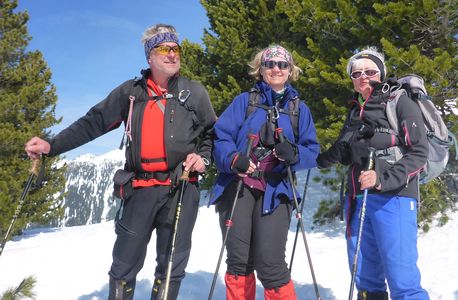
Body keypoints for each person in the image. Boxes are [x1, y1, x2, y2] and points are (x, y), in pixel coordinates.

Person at [25, 24, 216, 300]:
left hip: (182, 189)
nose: (172, 54)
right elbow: (93, 123)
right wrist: (52, 145)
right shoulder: (131, 94)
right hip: (139, 189)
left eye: (176, 49)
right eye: (164, 48)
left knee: (171, 267)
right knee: (123, 267)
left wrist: (204, 159)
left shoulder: (194, 93)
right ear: (149, 56)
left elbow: (212, 134)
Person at [317, 47, 429, 300]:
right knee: (366, 279)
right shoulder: (355, 110)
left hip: (395, 198)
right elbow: (346, 153)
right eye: (356, 73)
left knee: (402, 280)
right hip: (358, 200)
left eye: (370, 71)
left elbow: (419, 152)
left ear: (381, 73)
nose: (363, 76)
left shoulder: (400, 101)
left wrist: (382, 179)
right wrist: (315, 158)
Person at [209, 45, 319, 299]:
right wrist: (234, 158)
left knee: (271, 264)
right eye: (271, 64)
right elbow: (220, 137)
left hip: (276, 189)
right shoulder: (245, 102)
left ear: (290, 70)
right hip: (238, 185)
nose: (276, 69)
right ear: (261, 69)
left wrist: (295, 155)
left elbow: (312, 150)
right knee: (239, 260)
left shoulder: (298, 109)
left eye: (282, 64)